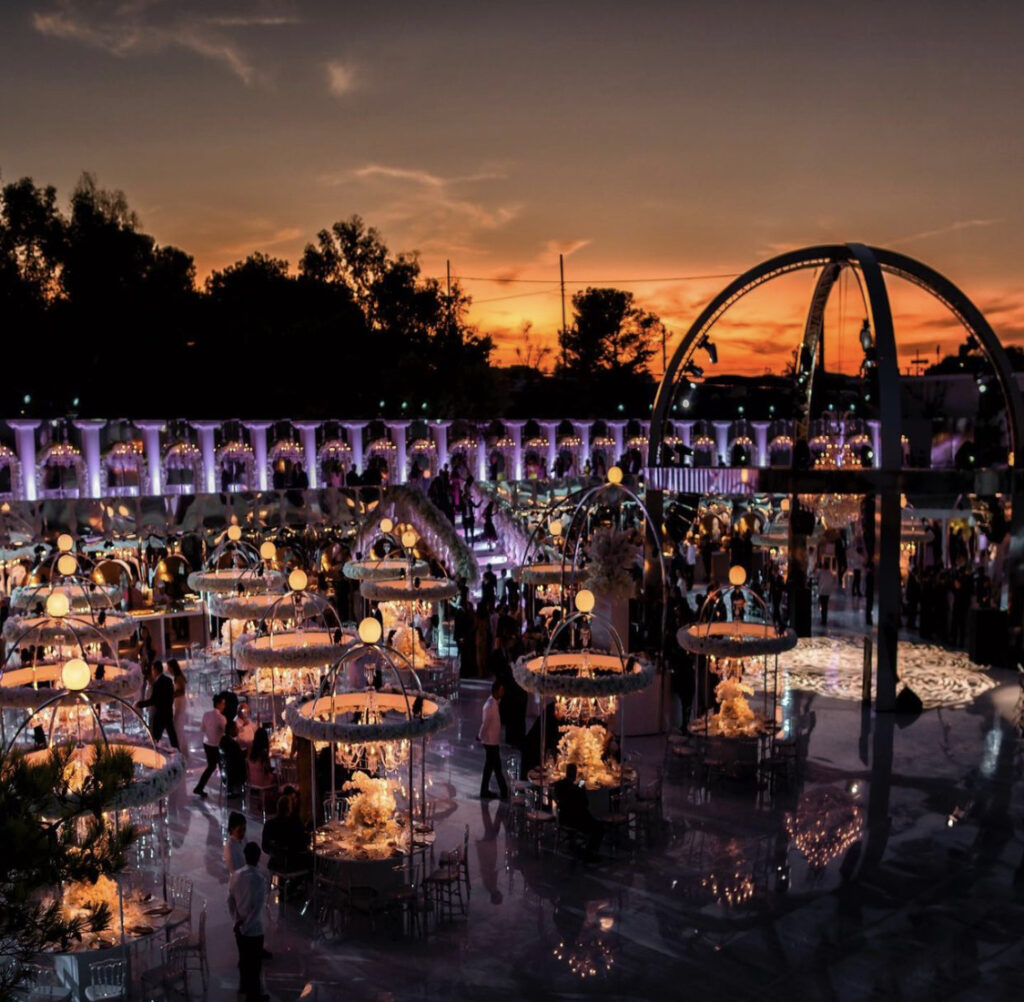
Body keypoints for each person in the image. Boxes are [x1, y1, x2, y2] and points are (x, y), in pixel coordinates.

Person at [227, 841, 268, 1002]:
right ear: (258, 858)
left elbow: (229, 901)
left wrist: (237, 921)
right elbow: (257, 909)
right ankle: (254, 996)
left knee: (244, 962)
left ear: (245, 856)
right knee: (255, 965)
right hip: (255, 930)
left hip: (239, 928)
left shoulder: (235, 876)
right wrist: (246, 926)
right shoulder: (260, 879)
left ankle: (243, 990)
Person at [552, 763, 603, 859]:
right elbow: (585, 804)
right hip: (576, 821)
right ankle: (590, 854)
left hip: (563, 818)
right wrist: (582, 789)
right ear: (575, 775)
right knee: (599, 828)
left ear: (566, 773)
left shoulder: (558, 785)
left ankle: (574, 843)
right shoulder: (577, 790)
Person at [261, 790, 311, 874]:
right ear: (290, 808)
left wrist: (275, 853)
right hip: (292, 864)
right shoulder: (294, 824)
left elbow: (265, 846)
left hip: (275, 863)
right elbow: (303, 843)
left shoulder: (269, 824)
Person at [137, 661, 180, 750]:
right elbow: (171, 696)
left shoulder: (157, 684)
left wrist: (140, 704)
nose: (152, 672)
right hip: (168, 712)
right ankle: (178, 753)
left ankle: (156, 755)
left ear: (156, 670)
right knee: (172, 736)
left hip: (160, 715)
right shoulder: (168, 680)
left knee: (155, 738)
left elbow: (153, 700)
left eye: (153, 669)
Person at [477, 680, 508, 800]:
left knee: (491, 767)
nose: (503, 692)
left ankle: (486, 791)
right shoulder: (490, 705)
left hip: (492, 741)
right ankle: (503, 791)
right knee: (495, 767)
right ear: (496, 691)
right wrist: (480, 736)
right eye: (501, 690)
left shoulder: (494, 703)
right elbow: (485, 724)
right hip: (490, 742)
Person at [194, 694, 227, 798]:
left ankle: (200, 787)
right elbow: (223, 732)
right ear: (218, 704)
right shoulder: (222, 718)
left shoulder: (206, 715)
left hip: (207, 743)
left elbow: (202, 729)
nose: (224, 706)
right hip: (216, 745)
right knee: (218, 765)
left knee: (211, 766)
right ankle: (226, 786)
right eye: (223, 703)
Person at [246, 727, 278, 799]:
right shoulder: (263, 754)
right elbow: (267, 770)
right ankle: (272, 800)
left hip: (252, 781)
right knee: (278, 777)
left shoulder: (250, 753)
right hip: (262, 782)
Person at [168, 659, 187, 761]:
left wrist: (171, 695)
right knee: (177, 725)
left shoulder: (179, 677)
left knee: (177, 725)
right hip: (177, 702)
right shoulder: (176, 677)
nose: (168, 669)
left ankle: (180, 750)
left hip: (180, 702)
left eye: (169, 667)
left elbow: (182, 691)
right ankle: (181, 749)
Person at [221, 721, 247, 797]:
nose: (237, 730)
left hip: (226, 770)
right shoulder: (232, 743)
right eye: (235, 729)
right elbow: (239, 758)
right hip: (234, 772)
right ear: (231, 730)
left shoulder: (223, 740)